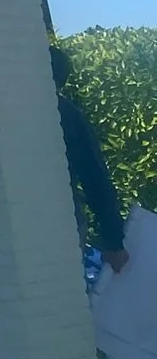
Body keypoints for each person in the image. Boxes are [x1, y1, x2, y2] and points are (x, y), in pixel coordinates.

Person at [53, 44, 128, 274]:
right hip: (63, 221)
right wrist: (114, 241)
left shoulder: (1, 112)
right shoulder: (68, 116)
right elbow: (95, 177)